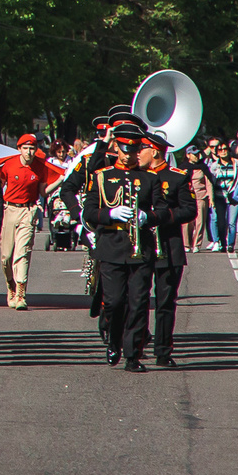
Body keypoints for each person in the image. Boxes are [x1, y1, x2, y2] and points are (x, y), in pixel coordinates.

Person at [82, 123, 163, 373]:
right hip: (112, 246)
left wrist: (146, 217)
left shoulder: (150, 179)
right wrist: (111, 213)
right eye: (125, 148)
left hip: (140, 249)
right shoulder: (102, 176)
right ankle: (114, 339)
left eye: (134, 148)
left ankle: (132, 354)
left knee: (138, 303)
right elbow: (89, 212)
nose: (129, 154)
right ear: (117, 147)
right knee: (115, 302)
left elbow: (162, 211)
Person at [136, 133, 195, 366]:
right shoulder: (135, 177)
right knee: (138, 299)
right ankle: (136, 345)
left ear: (155, 152)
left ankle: (163, 350)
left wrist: (161, 216)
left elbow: (190, 210)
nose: (138, 153)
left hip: (168, 246)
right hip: (140, 247)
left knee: (165, 302)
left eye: (143, 149)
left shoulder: (177, 177)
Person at [0, 135, 47, 310]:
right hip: (9, 210)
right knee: (6, 257)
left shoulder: (40, 167)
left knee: (22, 253)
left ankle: (20, 293)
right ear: (19, 149)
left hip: (28, 210)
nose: (29, 152)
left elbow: (43, 192)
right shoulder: (9, 165)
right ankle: (10, 285)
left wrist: (60, 181)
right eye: (25, 148)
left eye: (32, 148)